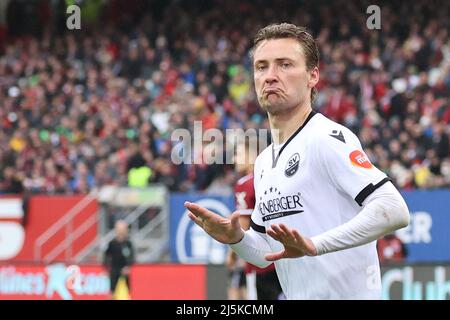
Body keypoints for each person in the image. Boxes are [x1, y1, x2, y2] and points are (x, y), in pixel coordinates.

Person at [185, 23, 410, 299]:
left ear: (312, 76)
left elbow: (394, 209)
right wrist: (236, 240)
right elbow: (266, 253)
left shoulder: (325, 138)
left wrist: (314, 245)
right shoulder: (265, 161)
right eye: (261, 67)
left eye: (285, 65)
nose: (270, 76)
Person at [226, 138, 283, 300]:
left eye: (238, 154)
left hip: (261, 262)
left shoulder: (245, 183)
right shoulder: (275, 177)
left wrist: (231, 255)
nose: (234, 159)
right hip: (286, 257)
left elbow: (242, 227)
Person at [103, 220, 135, 299]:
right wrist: (107, 268)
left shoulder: (128, 243)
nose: (122, 231)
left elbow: (132, 257)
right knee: (112, 291)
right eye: (120, 229)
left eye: (123, 229)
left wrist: (128, 267)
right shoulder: (112, 243)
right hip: (114, 270)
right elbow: (106, 256)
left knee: (126, 292)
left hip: (125, 271)